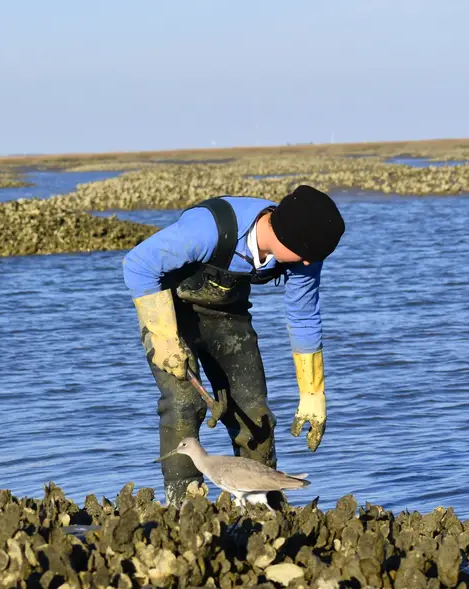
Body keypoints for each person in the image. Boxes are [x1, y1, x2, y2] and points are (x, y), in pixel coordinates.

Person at [122, 185, 345, 505]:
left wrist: (313, 393)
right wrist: (164, 337)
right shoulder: (207, 229)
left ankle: (266, 502)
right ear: (284, 236)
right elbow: (138, 264)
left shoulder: (306, 252)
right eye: (306, 256)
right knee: (184, 403)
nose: (310, 264)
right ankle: (184, 503)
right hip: (169, 314)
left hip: (228, 317)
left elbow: (304, 317)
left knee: (255, 412)